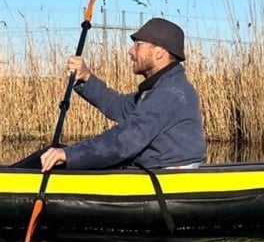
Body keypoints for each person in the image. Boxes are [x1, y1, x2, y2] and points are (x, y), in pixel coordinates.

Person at [38, 17, 206, 173]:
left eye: (138, 45)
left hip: (165, 177)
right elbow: (120, 107)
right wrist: (86, 78)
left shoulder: (170, 94)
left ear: (159, 52)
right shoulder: (161, 88)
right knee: (48, 154)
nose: (131, 51)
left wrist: (69, 155)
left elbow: (124, 141)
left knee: (59, 159)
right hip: (153, 168)